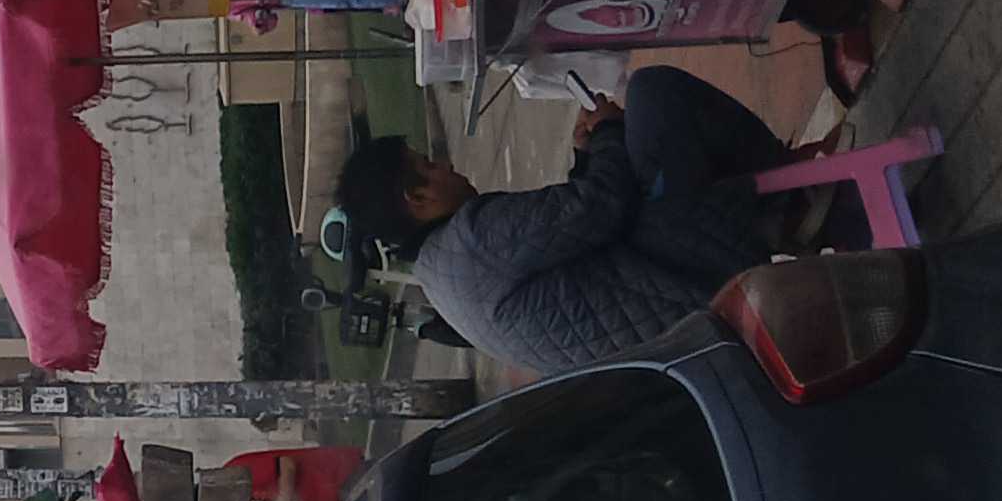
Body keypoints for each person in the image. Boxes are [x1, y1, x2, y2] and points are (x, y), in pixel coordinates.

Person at [332, 65, 801, 375]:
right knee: (653, 94)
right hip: (693, 282)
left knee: (648, 156)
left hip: (677, 324)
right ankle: (793, 199)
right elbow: (603, 205)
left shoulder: (443, 277)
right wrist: (608, 130)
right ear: (418, 198)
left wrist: (586, 154)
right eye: (430, 165)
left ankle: (782, 200)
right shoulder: (474, 239)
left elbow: (569, 233)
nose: (446, 166)